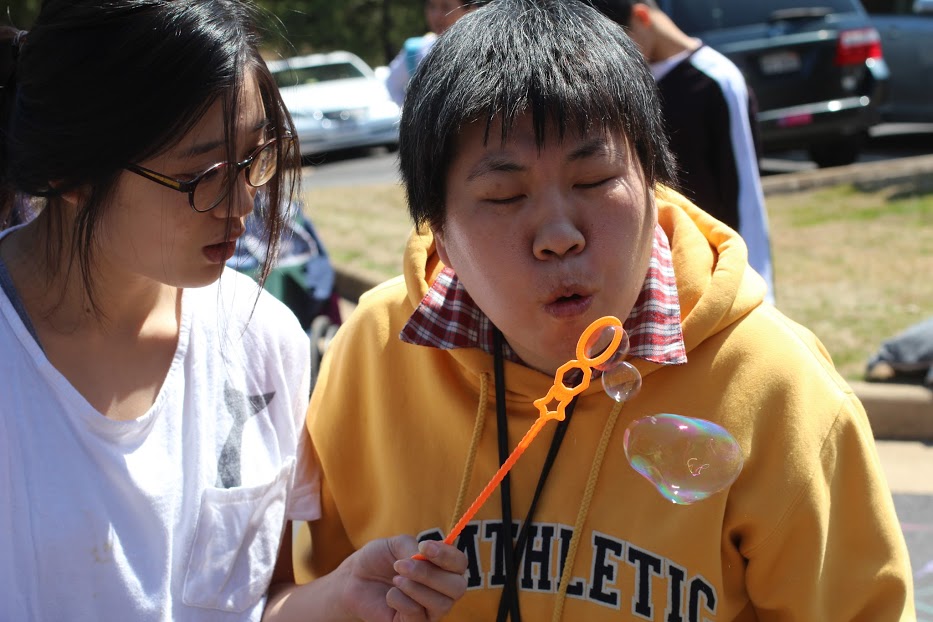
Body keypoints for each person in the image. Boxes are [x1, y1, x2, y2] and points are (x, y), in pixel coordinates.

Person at [296, 0, 915, 619]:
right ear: (438, 227)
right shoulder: (373, 352)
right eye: (504, 195)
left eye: (593, 180)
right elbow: (301, 586)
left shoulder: (779, 387)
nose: (559, 236)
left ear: (652, 178)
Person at [0, 2, 466, 621]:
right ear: (70, 171)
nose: (243, 202)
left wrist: (341, 594)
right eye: (204, 175)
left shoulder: (262, 337)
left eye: (255, 158)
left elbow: (260, 601)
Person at [590, 0, 776, 304]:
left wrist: (758, 288)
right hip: (655, 276)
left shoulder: (717, 79)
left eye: (619, 41)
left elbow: (745, 194)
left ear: (642, 17)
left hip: (717, 273)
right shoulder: (623, 85)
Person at [383, 0, 479, 106]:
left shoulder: (482, 52)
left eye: (446, 7)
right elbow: (392, 84)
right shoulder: (416, 52)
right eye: (432, 6)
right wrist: (412, 112)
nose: (437, 15)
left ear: (470, 10)